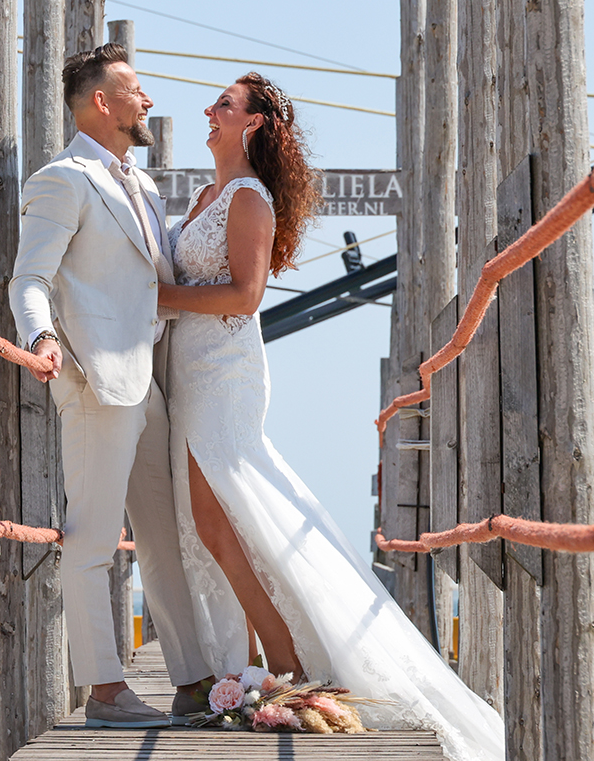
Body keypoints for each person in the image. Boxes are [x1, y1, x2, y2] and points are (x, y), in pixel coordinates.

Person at [159, 71, 504, 760]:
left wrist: (155, 294)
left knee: (218, 517)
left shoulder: (249, 199)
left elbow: (245, 296)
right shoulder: (206, 196)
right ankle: (258, 662)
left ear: (252, 123)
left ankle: (284, 666)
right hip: (186, 367)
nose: (209, 109)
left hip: (224, 369)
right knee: (221, 521)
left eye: (224, 105)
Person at [9, 43, 214, 729]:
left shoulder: (143, 184)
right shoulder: (61, 180)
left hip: (150, 379)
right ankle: (103, 691)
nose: (148, 100)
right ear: (102, 101)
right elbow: (29, 278)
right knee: (93, 539)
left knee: (164, 535)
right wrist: (41, 339)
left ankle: (192, 679)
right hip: (96, 380)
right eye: (136, 89)